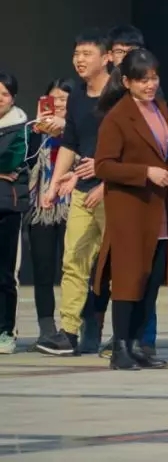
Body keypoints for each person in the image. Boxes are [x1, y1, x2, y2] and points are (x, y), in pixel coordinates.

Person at [92, 48, 168, 369]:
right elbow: (103, 166)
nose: (150, 85)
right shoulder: (118, 117)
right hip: (131, 210)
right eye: (142, 80)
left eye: (153, 78)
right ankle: (120, 347)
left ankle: (138, 344)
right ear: (126, 82)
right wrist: (144, 172)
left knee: (150, 281)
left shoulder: (159, 108)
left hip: (160, 209)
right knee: (127, 279)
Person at [36, 30, 112, 356]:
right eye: (76, 53)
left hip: (115, 191)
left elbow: (135, 147)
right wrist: (54, 185)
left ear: (107, 57)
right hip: (80, 190)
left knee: (117, 265)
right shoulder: (78, 96)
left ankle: (124, 334)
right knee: (73, 261)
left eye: (87, 53)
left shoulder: (121, 95)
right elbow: (70, 141)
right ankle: (68, 332)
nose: (80, 60)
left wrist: (107, 180)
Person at [26, 79, 74, 350]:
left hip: (73, 205)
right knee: (43, 270)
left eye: (65, 100)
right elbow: (27, 161)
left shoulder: (78, 130)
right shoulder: (34, 131)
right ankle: (47, 330)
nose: (58, 105)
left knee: (75, 268)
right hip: (41, 208)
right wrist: (36, 127)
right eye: (53, 99)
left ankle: (74, 328)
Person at [0, 72, 29, 354]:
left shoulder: (22, 126)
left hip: (8, 207)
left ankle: (6, 331)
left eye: (4, 94)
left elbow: (12, 158)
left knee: (5, 274)